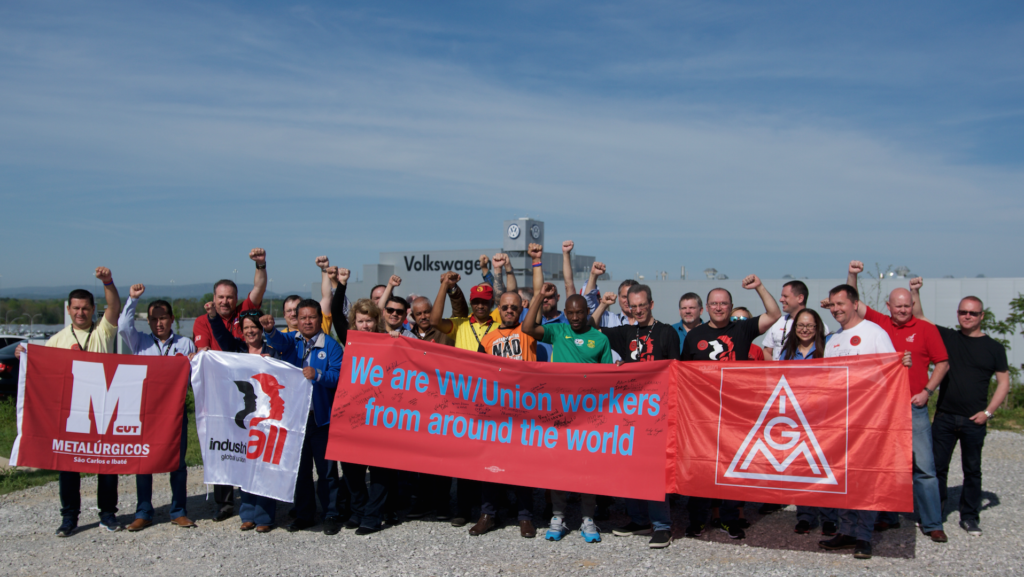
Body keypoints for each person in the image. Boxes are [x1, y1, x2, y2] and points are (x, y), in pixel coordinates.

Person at [842, 261, 948, 542]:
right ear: (888, 306)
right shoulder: (879, 323)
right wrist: (853, 274)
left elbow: (943, 364)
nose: (903, 310)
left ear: (912, 305)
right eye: (898, 306)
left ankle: (932, 522)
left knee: (924, 469)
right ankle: (887, 517)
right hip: (883, 410)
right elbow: (853, 302)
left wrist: (927, 391)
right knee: (885, 466)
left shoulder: (926, 329)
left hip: (914, 408)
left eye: (907, 306)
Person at [16, 268, 123, 537]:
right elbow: (40, 370)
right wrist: (23, 353)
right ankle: (69, 518)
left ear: (92, 309)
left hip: (101, 410)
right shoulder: (56, 341)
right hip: (71, 414)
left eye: (85, 308)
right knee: (68, 468)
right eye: (76, 308)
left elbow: (115, 305)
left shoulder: (102, 332)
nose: (80, 313)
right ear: (68, 309)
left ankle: (108, 514)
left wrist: (107, 282)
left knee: (106, 465)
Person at [521, 243, 613, 545]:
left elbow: (608, 380)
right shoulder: (557, 331)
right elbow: (526, 327)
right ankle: (558, 517)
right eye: (570, 312)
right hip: (558, 413)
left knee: (587, 467)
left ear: (587, 310)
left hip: (588, 415)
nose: (574, 317)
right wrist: (537, 296)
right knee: (559, 466)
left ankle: (588, 519)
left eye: (579, 312)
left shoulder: (599, 339)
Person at [680, 275, 782, 540]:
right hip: (703, 416)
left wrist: (759, 286)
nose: (718, 307)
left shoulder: (743, 329)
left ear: (730, 305)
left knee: (734, 468)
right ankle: (698, 520)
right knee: (702, 470)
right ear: (707, 307)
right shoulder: (694, 336)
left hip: (736, 413)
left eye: (724, 303)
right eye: (714, 303)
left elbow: (774, 313)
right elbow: (683, 375)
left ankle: (729, 518)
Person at [910, 281, 1010, 537]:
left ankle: (969, 517)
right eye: (963, 312)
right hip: (944, 417)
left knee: (972, 470)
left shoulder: (994, 348)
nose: (967, 316)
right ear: (958, 314)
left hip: (974, 420)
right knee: (936, 469)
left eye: (973, 313)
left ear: (981, 316)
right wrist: (915, 292)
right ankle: (936, 515)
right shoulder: (949, 337)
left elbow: (1004, 382)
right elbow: (919, 316)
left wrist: (988, 413)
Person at [817, 284, 902, 560]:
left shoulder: (875, 333)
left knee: (866, 478)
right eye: (832, 305)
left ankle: (864, 536)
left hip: (869, 420)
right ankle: (846, 530)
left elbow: (892, 373)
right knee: (843, 476)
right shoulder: (832, 340)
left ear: (855, 303)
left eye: (841, 304)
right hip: (840, 420)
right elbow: (828, 382)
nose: (836, 309)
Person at [591, 284, 677, 549]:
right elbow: (590, 327)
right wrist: (603, 305)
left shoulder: (666, 332)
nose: (638, 310)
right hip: (629, 412)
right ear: (626, 305)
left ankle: (662, 525)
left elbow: (675, 373)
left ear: (651, 304)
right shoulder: (626, 332)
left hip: (657, 414)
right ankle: (638, 520)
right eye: (632, 305)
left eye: (642, 305)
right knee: (628, 467)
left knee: (652, 471)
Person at [191, 247, 267, 521]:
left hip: (248, 392)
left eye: (229, 297)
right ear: (213, 299)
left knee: (248, 442)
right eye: (220, 297)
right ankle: (224, 503)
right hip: (219, 393)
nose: (225, 301)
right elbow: (205, 356)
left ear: (236, 299)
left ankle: (252, 495)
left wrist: (260, 265)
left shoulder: (244, 312)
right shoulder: (202, 321)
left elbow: (258, 288)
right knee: (221, 445)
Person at [116, 284, 196, 532]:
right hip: (146, 412)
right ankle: (144, 512)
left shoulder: (185, 344)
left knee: (178, 463)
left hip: (175, 413)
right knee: (144, 462)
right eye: (154, 319)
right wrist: (132, 299)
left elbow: (195, 380)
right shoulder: (138, 342)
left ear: (172, 319)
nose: (159, 323)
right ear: (148, 321)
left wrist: (195, 364)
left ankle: (179, 511)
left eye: (163, 318)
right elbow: (122, 327)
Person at [263, 298, 346, 535]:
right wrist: (269, 329)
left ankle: (331, 513)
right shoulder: (291, 340)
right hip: (295, 419)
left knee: (327, 472)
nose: (307, 321)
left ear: (320, 319)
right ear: (296, 320)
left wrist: (318, 374)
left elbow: (338, 377)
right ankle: (304, 514)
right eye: (303, 317)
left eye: (312, 317)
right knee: (300, 471)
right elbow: (276, 340)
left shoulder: (331, 346)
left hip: (321, 420)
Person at [204, 305, 288, 533]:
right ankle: (247, 513)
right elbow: (220, 336)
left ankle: (264, 516)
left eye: (254, 327)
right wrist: (213, 317)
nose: (251, 331)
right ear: (241, 331)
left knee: (264, 466)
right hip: (242, 417)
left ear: (261, 329)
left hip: (268, 417)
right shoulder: (237, 349)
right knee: (244, 466)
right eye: (246, 328)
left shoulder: (273, 350)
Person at [331, 270, 399, 534]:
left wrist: (397, 343)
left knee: (380, 469)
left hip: (380, 416)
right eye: (361, 321)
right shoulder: (350, 340)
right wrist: (342, 284)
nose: (366, 326)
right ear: (354, 323)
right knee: (351, 468)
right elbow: (336, 312)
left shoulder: (388, 341)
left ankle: (372, 516)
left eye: (370, 321)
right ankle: (358, 511)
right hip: (352, 415)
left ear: (376, 321)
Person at [429, 271, 497, 525]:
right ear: (471, 303)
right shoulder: (460, 325)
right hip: (463, 401)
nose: (480, 305)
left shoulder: (499, 327)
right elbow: (435, 320)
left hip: (490, 400)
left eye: (485, 302)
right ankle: (463, 508)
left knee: (488, 457)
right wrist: (445, 286)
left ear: (491, 305)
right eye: (476, 302)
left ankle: (489, 508)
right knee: (465, 457)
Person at [469, 289, 539, 539]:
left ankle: (525, 517)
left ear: (522, 309)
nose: (510, 311)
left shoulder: (529, 331)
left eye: (515, 307)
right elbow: (475, 371)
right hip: (495, 412)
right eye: (505, 307)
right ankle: (487, 515)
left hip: (524, 410)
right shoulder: (487, 339)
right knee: (491, 465)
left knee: (523, 466)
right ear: (498, 308)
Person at [777, 309, 839, 537]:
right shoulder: (787, 352)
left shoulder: (829, 348)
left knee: (824, 469)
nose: (805, 329)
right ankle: (805, 515)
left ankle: (830, 518)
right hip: (795, 418)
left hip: (823, 418)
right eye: (801, 325)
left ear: (818, 328)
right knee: (801, 470)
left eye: (810, 326)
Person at [762, 280, 829, 361]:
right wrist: (774, 371)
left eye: (785, 296)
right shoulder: (777, 322)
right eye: (800, 325)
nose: (781, 299)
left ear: (800, 298)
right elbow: (767, 351)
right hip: (781, 372)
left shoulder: (820, 325)